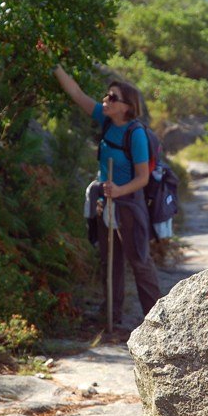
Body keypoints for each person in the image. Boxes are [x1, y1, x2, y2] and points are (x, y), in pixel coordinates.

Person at [52, 63, 162, 325]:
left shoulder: (135, 134)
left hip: (129, 203)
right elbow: (76, 93)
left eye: (113, 97)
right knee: (110, 260)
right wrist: (54, 65)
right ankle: (111, 315)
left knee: (139, 261)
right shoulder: (105, 121)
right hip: (105, 201)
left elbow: (143, 178)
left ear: (127, 107)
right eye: (106, 95)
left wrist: (119, 190)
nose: (106, 100)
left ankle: (158, 321)